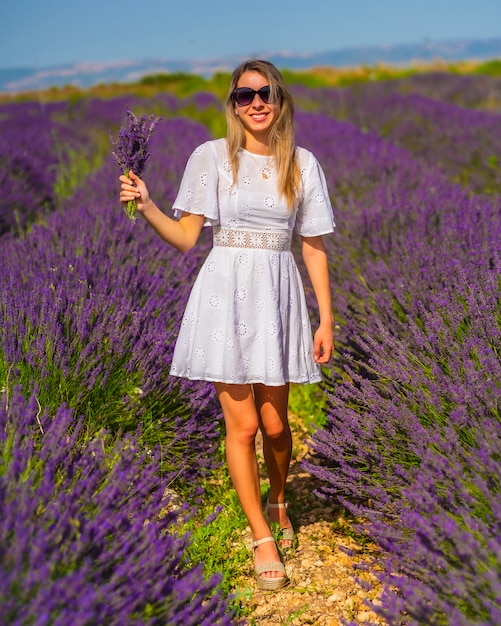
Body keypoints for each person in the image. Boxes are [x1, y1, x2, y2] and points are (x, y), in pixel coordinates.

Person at [119, 59, 335, 591]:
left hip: (278, 296)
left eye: (266, 94)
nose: (257, 103)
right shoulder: (211, 157)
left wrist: (325, 317)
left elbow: (313, 245)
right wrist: (146, 204)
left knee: (278, 425)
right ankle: (261, 533)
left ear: (281, 101)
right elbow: (188, 238)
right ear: (233, 103)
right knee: (241, 427)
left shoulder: (302, 163)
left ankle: (279, 498)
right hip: (225, 296)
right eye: (245, 95)